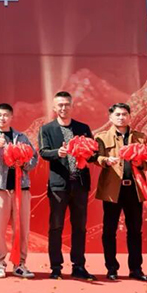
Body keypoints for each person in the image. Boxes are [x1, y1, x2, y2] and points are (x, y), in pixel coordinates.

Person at [38, 91, 96, 280]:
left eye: (66, 104)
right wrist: (58, 152)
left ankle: (79, 266)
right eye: (60, 105)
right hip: (59, 186)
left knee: (79, 227)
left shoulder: (83, 128)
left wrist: (87, 153)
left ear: (72, 106)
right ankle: (56, 267)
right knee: (56, 226)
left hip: (80, 184)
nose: (63, 108)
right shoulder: (47, 129)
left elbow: (93, 154)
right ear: (54, 107)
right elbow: (43, 152)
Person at [94, 103, 147, 281]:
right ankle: (111, 268)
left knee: (135, 230)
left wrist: (140, 163)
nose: (121, 117)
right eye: (118, 114)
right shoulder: (102, 137)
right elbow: (95, 158)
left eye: (124, 114)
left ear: (129, 116)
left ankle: (136, 269)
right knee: (109, 230)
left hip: (134, 189)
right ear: (110, 117)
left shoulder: (140, 137)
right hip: (113, 190)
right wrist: (105, 160)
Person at [0, 103, 38, 279]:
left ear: (11, 117)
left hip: (21, 189)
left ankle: (20, 264)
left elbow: (34, 158)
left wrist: (24, 163)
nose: (2, 118)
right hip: (0, 189)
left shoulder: (21, 137)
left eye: (6, 115)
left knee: (22, 229)